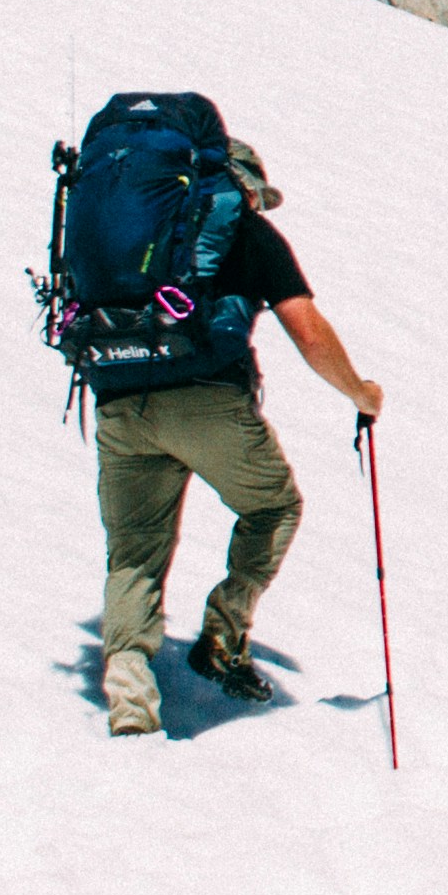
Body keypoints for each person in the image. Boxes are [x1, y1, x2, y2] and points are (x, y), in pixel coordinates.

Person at [95, 126, 384, 735]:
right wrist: (360, 391)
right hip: (207, 399)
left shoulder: (130, 232)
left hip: (118, 397)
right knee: (272, 507)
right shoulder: (244, 229)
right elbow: (306, 329)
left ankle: (129, 705)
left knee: (135, 551)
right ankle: (222, 637)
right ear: (243, 184)